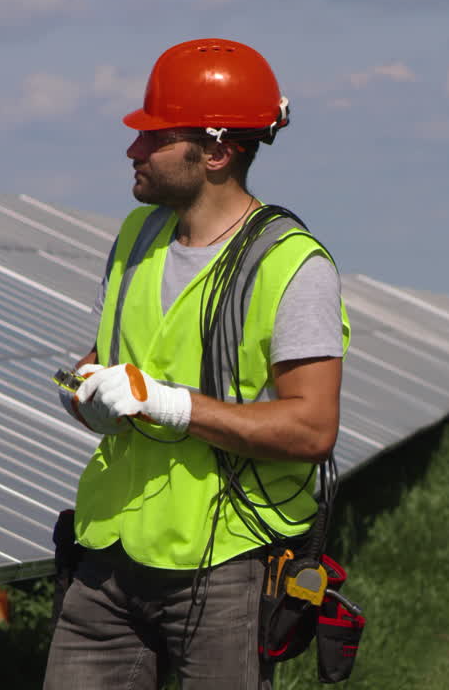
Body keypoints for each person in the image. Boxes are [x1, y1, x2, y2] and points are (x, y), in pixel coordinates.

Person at [44, 38, 350, 689]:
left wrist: (169, 405)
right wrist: (83, 395)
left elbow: (312, 427)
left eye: (154, 137)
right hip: (107, 551)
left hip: (225, 564)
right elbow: (105, 363)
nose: (132, 151)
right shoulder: (137, 234)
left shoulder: (291, 265)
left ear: (215, 151)